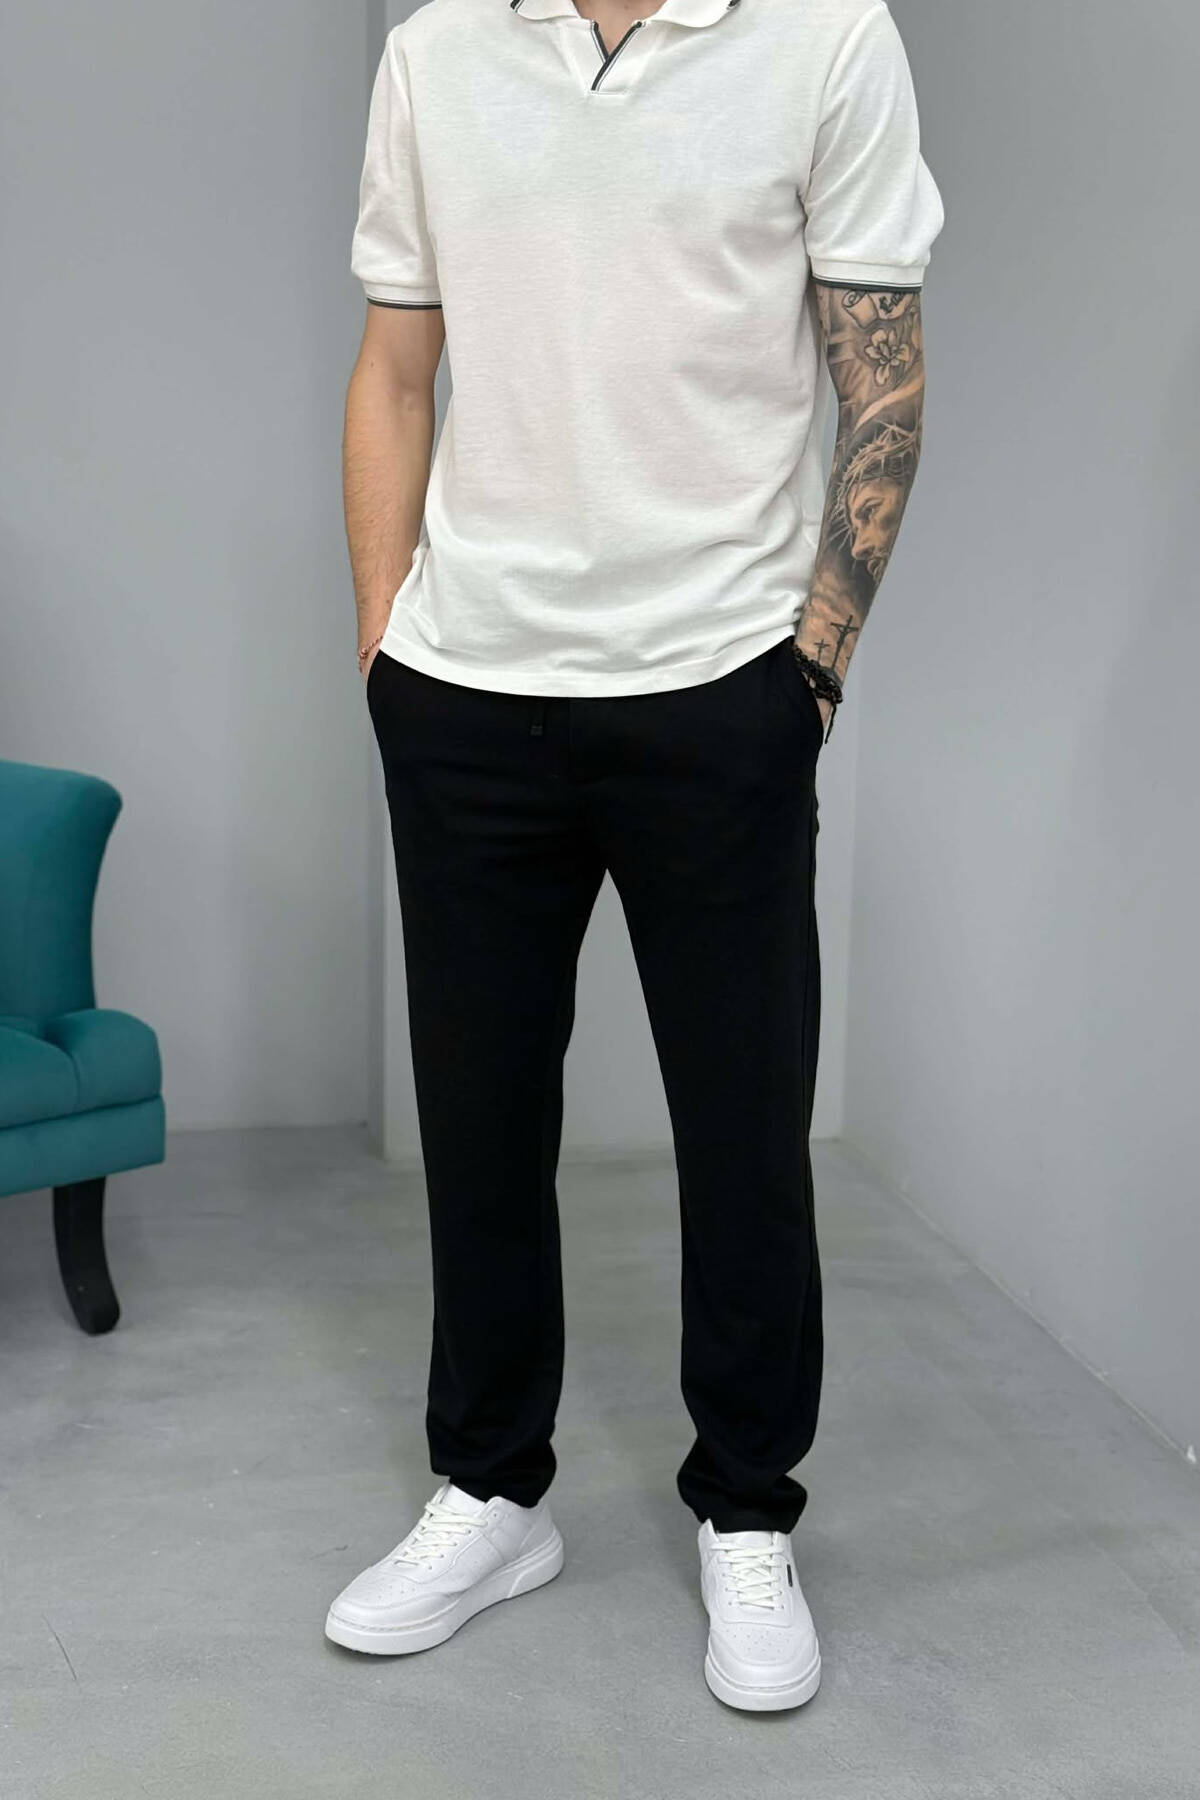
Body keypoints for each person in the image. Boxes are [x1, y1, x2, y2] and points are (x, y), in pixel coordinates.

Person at [328, 0, 943, 1712]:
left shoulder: (828, 40)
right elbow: (395, 368)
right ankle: (490, 1490)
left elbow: (884, 378)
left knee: (744, 1130)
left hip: (720, 687)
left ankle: (748, 1510)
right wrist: (385, 652)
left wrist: (810, 672)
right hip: (468, 694)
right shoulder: (435, 53)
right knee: (478, 1120)